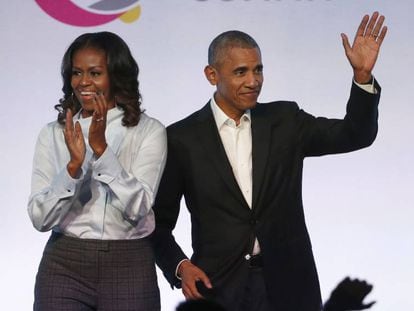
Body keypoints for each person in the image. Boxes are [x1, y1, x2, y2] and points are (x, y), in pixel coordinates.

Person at [151, 11, 387, 311]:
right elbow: (157, 224)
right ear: (212, 75)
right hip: (219, 288)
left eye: (258, 70)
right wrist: (181, 267)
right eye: (241, 72)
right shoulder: (180, 138)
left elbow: (355, 134)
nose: (253, 81)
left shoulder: (285, 120)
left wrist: (362, 78)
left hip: (290, 284)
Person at [28, 31, 167, 310]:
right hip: (65, 261)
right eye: (77, 73)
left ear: (116, 75)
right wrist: (72, 168)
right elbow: (40, 218)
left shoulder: (148, 131)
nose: (84, 83)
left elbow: (139, 206)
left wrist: (102, 151)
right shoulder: (53, 134)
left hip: (128, 261)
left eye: (95, 73)